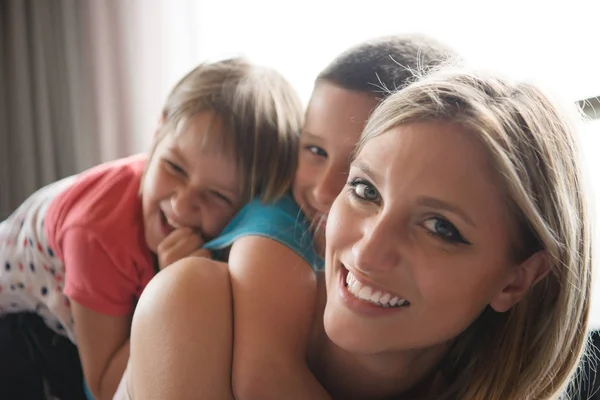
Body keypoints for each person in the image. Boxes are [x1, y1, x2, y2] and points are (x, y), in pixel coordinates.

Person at [127, 66, 593, 399]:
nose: (368, 253)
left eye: (440, 227)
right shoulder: (194, 307)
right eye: (366, 190)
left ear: (515, 279)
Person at [121, 35, 460, 399]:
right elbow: (264, 376)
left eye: (357, 170)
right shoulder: (277, 224)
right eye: (315, 150)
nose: (324, 190)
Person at [0, 57, 303, 400]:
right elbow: (102, 386)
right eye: (174, 167)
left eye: (217, 195)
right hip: (19, 323)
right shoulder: (96, 234)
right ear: (157, 132)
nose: (183, 203)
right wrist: (167, 288)